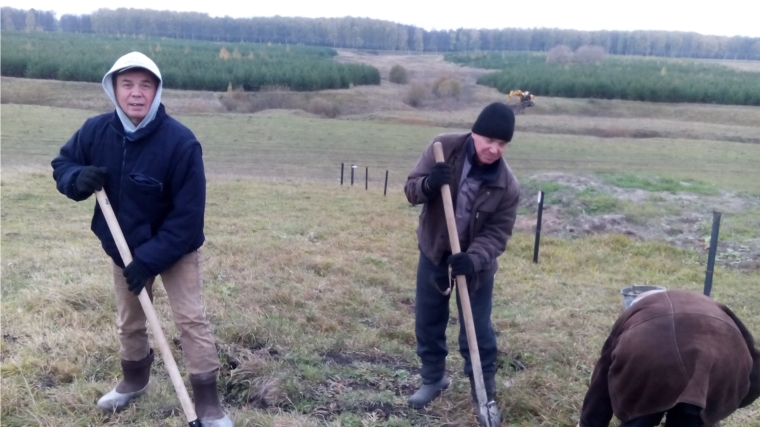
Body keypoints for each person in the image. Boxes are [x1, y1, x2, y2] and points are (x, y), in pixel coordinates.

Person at [51, 52, 232, 427]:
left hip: (175, 249)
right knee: (130, 322)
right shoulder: (95, 131)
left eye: (145, 85)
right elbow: (63, 164)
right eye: (127, 84)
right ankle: (134, 381)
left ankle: (208, 403)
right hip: (122, 248)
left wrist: (149, 259)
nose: (136, 93)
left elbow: (187, 218)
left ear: (157, 90)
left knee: (191, 321)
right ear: (113, 88)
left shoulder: (181, 143)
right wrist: (75, 179)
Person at [403, 102, 521, 415]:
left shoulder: (507, 186)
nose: (495, 149)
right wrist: (429, 184)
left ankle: (484, 394)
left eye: (502, 144)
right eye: (489, 141)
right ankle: (433, 379)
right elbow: (411, 190)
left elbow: (498, 234)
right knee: (428, 319)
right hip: (435, 249)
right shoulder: (444, 148)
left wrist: (473, 259)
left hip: (475, 265)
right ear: (474, 134)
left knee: (478, 329)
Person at [579, 289, 760, 427]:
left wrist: (589, 423)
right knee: (692, 415)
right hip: (721, 362)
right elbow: (754, 363)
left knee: (641, 416)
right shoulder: (710, 305)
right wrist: (723, 403)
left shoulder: (633, 313)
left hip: (650, 361)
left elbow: (602, 379)